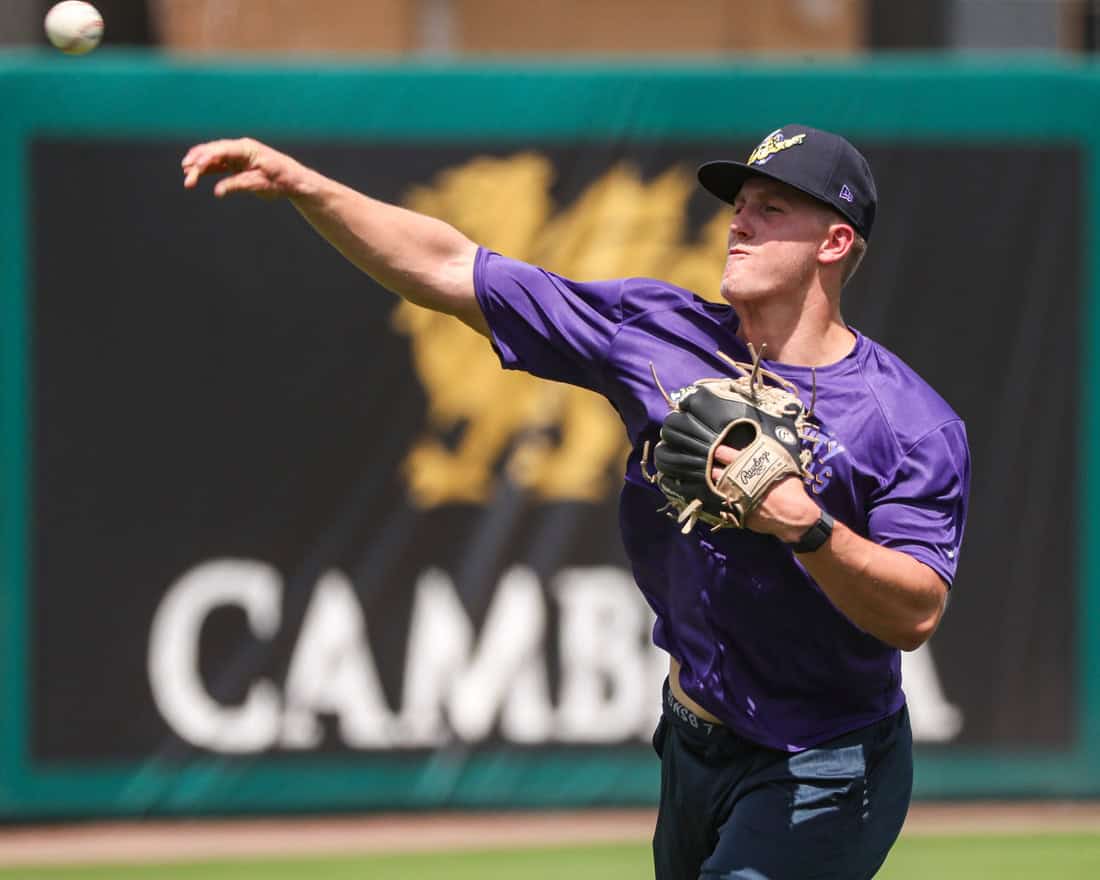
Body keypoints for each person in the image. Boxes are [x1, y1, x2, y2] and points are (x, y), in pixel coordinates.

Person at [181, 124, 970, 879]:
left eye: (772, 209)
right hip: (695, 743)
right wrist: (306, 187)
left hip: (824, 763)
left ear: (834, 242)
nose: (740, 223)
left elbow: (915, 613)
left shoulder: (908, 424)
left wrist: (807, 526)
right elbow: (454, 268)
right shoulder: (658, 333)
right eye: (739, 205)